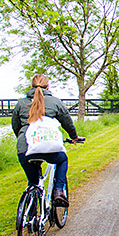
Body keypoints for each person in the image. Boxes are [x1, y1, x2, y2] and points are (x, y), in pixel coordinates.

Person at [11, 74, 83, 207]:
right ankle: (58, 190)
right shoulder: (55, 102)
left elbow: (16, 126)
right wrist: (74, 137)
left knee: (33, 183)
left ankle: (31, 216)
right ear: (48, 86)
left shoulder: (21, 103)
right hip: (48, 145)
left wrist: (23, 140)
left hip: (25, 148)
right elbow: (67, 122)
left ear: (31, 86)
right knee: (62, 159)